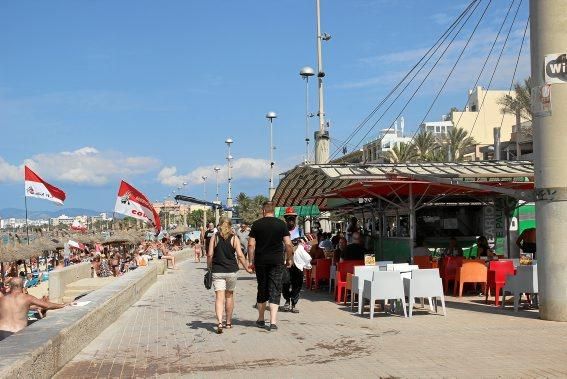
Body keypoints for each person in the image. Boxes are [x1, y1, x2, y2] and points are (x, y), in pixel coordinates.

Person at [247, 201, 293, 332]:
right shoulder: (281, 224)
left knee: (262, 288)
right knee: (275, 289)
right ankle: (273, 322)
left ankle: (261, 319)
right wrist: (289, 259)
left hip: (261, 261)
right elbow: (288, 245)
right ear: (274, 211)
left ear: (263, 211)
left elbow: (251, 245)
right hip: (277, 261)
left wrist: (250, 261)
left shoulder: (256, 224)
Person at [207, 217, 252, 334]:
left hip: (217, 271)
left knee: (219, 298)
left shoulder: (214, 237)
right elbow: (241, 256)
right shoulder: (234, 238)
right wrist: (247, 268)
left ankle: (219, 323)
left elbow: (210, 254)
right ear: (230, 225)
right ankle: (228, 322)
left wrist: (209, 266)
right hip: (231, 271)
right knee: (229, 297)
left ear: (219, 225)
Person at [0, 278, 65, 340]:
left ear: (10, 286)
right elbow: (47, 305)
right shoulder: (27, 298)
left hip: (2, 333)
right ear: (22, 286)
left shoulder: (2, 299)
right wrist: (63, 305)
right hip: (18, 333)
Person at [281, 207, 305, 314]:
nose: (290, 220)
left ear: (295, 219)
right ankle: (287, 300)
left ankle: (294, 303)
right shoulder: (281, 230)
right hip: (285, 260)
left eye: (292, 218)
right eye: (288, 218)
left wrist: (300, 243)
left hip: (298, 261)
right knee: (285, 282)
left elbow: (307, 245)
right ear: (285, 219)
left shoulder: (300, 230)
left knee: (297, 282)